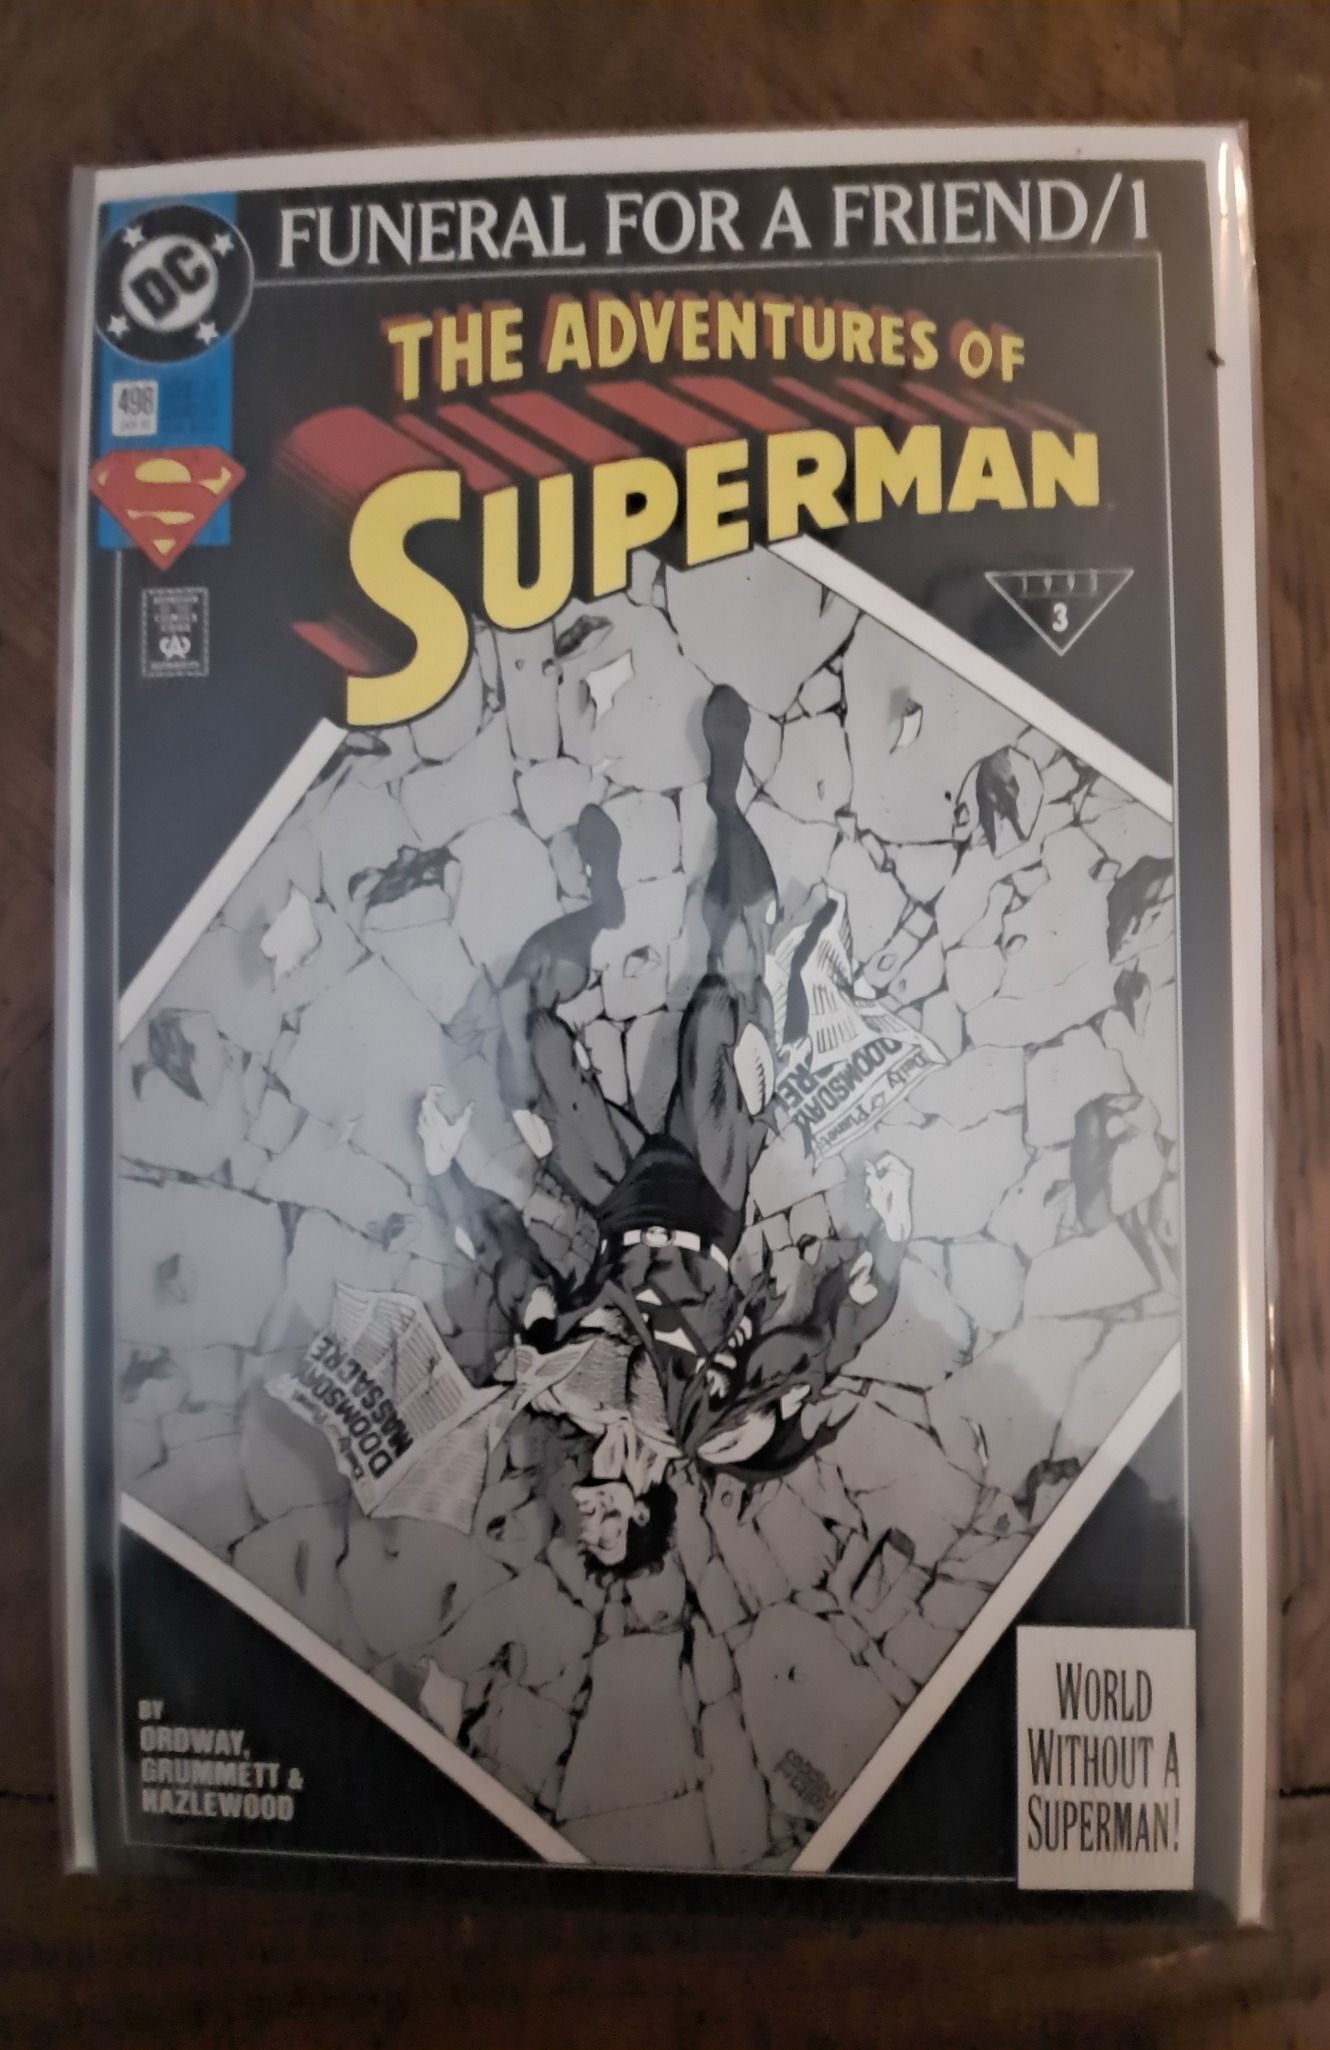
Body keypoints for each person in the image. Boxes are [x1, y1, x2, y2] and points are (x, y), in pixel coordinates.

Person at [414, 684, 914, 1571]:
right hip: (710, 1192)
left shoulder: (560, 1389)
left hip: (617, 1202)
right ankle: (728, 799)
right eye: (611, 1533)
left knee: (525, 1036)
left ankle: (599, 911)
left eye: (586, 1535)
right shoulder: (719, 1431)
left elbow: (516, 1272)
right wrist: (891, 1234)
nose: (588, 1519)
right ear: (645, 1506)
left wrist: (446, 1175)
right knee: (727, 998)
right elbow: (820, 1349)